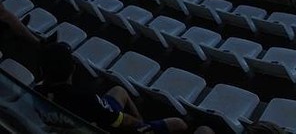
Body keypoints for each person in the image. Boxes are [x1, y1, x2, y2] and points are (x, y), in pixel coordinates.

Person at [36, 41, 187, 133]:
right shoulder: (85, 99)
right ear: (73, 68)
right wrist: (140, 126)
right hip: (111, 127)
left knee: (119, 90)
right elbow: (123, 121)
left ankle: (142, 120)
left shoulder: (37, 92)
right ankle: (144, 126)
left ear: (42, 71)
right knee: (179, 123)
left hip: (81, 121)